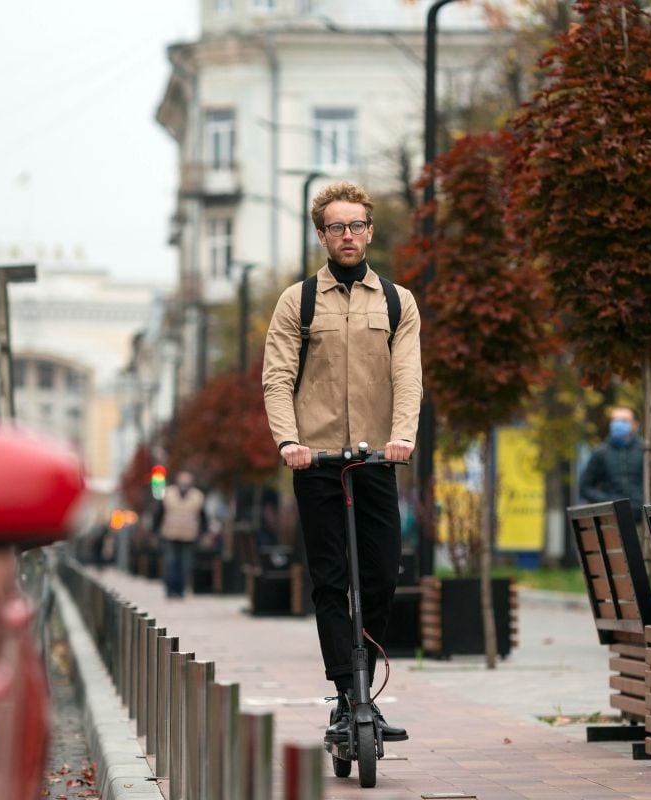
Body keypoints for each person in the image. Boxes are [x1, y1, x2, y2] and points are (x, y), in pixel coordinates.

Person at [261, 182, 422, 744]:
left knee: (381, 575)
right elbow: (278, 378)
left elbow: (409, 379)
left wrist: (402, 437)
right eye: (336, 227)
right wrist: (288, 443)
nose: (347, 235)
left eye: (356, 226)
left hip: (378, 460)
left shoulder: (398, 302)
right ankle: (349, 697)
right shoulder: (297, 301)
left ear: (370, 231)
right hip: (318, 462)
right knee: (330, 582)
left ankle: (364, 686)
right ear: (322, 235)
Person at [579, 406, 644, 522]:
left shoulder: (645, 451)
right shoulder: (601, 452)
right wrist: (608, 501)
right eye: (615, 420)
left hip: (642, 518)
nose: (618, 424)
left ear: (635, 424)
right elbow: (585, 487)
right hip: (613, 519)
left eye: (624, 420)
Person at [153, 470, 207, 598]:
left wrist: (204, 533)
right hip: (170, 534)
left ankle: (181, 589)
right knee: (170, 562)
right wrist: (155, 531)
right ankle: (170, 589)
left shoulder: (197, 496)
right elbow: (159, 513)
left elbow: (203, 516)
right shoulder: (168, 494)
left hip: (189, 535)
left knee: (185, 563)